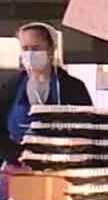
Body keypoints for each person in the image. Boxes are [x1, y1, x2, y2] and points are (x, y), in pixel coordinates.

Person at [0, 23, 93, 164]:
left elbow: (88, 130)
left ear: (50, 50)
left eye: (36, 48)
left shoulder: (73, 87)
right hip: (18, 167)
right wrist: (15, 155)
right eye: (25, 49)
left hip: (63, 166)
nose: (30, 54)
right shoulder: (12, 86)